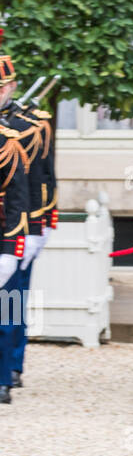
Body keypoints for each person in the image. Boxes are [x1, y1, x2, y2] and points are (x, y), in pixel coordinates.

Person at [0, 37, 56, 391]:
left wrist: (38, 226)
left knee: (12, 300)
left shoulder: (30, 125)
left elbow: (41, 178)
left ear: (13, 85)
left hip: (17, 225)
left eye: (3, 85)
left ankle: (11, 364)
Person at [0, 109, 29, 405]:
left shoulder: (8, 143)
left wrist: (11, 249)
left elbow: (18, 202)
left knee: (6, 314)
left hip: (1, 239)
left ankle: (2, 377)